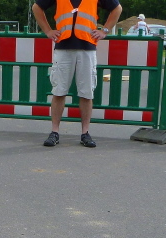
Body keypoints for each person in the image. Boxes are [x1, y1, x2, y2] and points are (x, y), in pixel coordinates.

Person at [32, 0, 122, 148]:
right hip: (63, 47)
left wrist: (105, 30)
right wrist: (48, 31)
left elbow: (117, 8)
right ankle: (54, 132)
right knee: (59, 91)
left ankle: (85, 133)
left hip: (87, 47)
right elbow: (37, 7)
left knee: (86, 92)